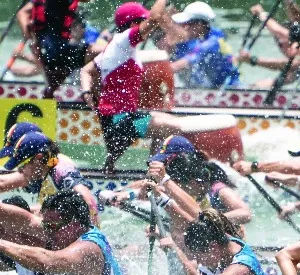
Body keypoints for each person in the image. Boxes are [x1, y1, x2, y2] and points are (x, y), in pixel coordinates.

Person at [80, 0, 188, 173]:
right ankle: (153, 173)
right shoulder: (124, 40)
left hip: (118, 117)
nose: (148, 28)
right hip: (119, 119)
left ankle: (145, 168)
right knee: (175, 128)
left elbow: (86, 70)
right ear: (132, 25)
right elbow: (154, 18)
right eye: (141, 22)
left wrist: (86, 93)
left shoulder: (115, 46)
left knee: (169, 120)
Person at [0, 190, 130, 275]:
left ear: (75, 224)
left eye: (52, 226)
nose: (47, 231)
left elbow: (47, 262)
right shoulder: (61, 229)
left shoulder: (88, 249)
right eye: (46, 225)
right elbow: (27, 220)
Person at [1, 131, 99, 223]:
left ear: (38, 158)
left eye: (22, 165)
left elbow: (89, 202)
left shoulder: (61, 171)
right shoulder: (47, 169)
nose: (20, 170)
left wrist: (90, 238)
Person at [163, 1, 239, 88]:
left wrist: (154, 73)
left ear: (200, 24)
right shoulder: (200, 39)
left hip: (229, 89)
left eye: (187, 23)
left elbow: (183, 63)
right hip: (211, 89)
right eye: (183, 24)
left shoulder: (212, 42)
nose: (185, 27)